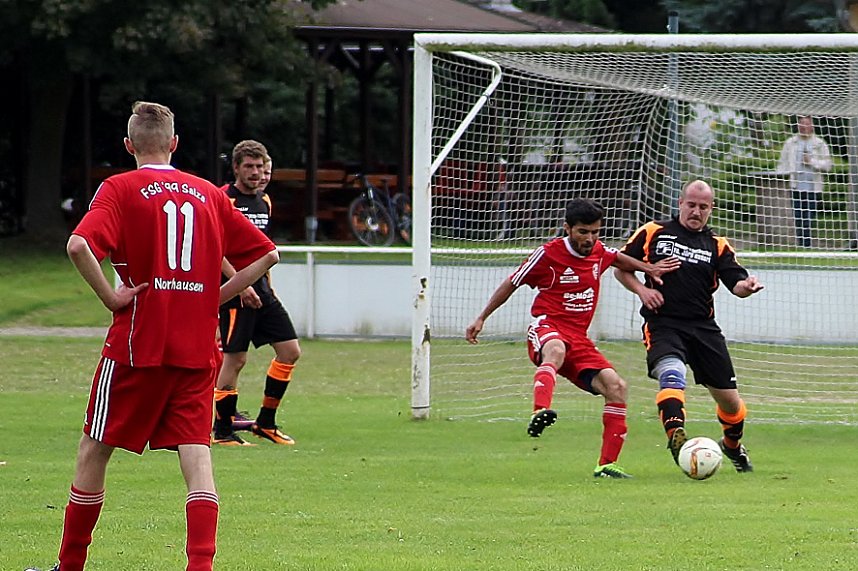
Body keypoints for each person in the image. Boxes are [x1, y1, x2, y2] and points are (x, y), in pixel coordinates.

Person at [28, 101, 279, 571]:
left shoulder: (119, 188)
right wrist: (214, 297)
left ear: (129, 146)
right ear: (174, 144)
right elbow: (267, 255)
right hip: (197, 347)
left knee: (94, 449)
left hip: (136, 345)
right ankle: (200, 566)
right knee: (197, 457)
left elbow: (79, 245)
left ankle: (70, 565)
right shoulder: (209, 193)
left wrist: (111, 297)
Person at [465, 198, 680, 479]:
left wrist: (648, 269)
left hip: (579, 340)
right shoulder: (548, 254)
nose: (589, 239)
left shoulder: (598, 250)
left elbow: (616, 257)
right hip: (548, 326)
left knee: (616, 387)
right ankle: (540, 410)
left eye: (595, 232)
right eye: (582, 232)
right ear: (567, 228)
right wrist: (481, 317)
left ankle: (606, 465)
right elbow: (512, 282)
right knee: (555, 350)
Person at [614, 179, 764, 474]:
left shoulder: (717, 245)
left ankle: (731, 446)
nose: (696, 211)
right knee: (672, 374)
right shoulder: (654, 232)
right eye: (691, 205)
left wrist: (747, 287)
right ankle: (676, 437)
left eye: (703, 207)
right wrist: (642, 291)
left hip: (703, 328)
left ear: (711, 209)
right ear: (680, 203)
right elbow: (621, 266)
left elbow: (736, 285)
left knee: (731, 404)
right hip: (663, 323)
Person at [212, 141, 302, 447]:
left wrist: (263, 285)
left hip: (262, 291)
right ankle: (223, 430)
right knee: (235, 359)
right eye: (249, 166)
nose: (255, 172)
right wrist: (241, 284)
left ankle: (265, 423)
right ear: (236, 168)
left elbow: (261, 249)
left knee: (290, 350)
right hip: (235, 292)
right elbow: (216, 249)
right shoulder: (223, 199)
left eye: (260, 166)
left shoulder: (264, 201)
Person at [777, 115, 832, 248]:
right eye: (801, 124)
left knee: (809, 217)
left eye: (806, 124)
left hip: (813, 187)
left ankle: (807, 244)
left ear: (812, 126)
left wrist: (811, 161)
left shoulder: (819, 143)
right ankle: (802, 244)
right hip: (795, 186)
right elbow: (782, 163)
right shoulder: (790, 143)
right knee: (798, 216)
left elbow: (827, 165)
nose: (803, 127)